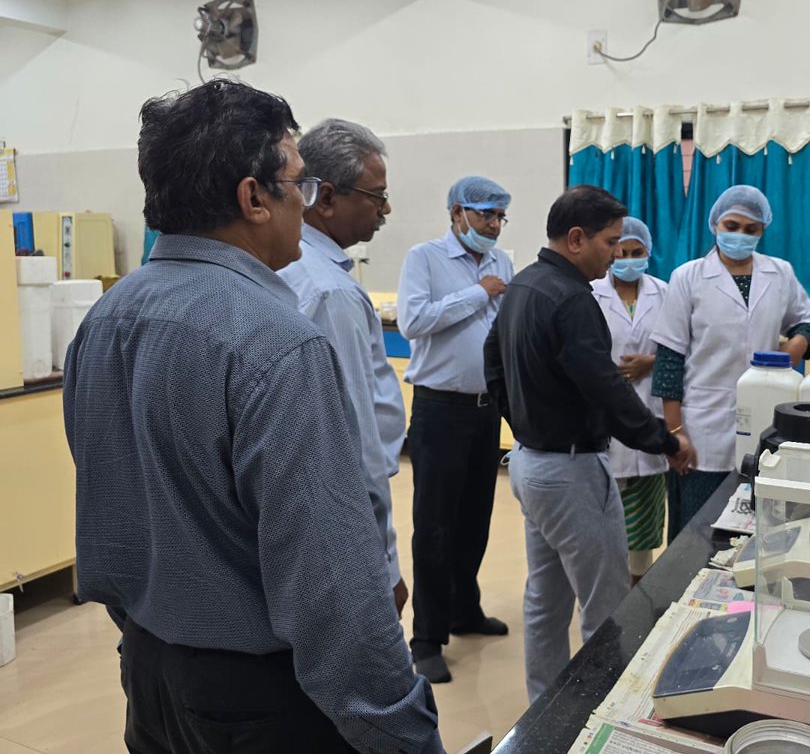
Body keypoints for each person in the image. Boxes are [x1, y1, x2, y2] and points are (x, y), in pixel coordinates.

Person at [62, 80, 442, 754]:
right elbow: (332, 592)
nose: (307, 201)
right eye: (298, 183)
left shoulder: (105, 321)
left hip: (150, 675)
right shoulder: (275, 342)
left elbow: (115, 512)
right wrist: (403, 732)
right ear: (253, 198)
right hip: (256, 698)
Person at [484, 185, 697, 703]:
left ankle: (547, 708)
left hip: (532, 463)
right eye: (609, 242)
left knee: (546, 599)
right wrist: (662, 440)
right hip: (571, 471)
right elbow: (603, 387)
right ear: (576, 239)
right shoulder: (573, 299)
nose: (615, 253)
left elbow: (493, 365)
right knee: (604, 604)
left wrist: (526, 424)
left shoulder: (524, 287)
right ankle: (601, 709)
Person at [278, 118, 408, 617]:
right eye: (376, 197)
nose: (386, 209)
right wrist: (386, 564)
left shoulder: (296, 269)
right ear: (326, 198)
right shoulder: (330, 292)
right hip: (347, 531)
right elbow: (355, 446)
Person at [399, 175, 514, 684]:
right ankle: (426, 637)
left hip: (486, 409)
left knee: (476, 518)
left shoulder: (502, 261)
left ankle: (465, 609)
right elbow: (413, 321)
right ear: (456, 212)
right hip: (439, 410)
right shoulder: (424, 258)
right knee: (435, 526)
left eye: (498, 216)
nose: (492, 225)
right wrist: (477, 293)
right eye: (484, 214)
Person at [651, 185, 810, 540]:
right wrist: (675, 433)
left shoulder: (780, 272)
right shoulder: (688, 277)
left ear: (762, 231)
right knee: (695, 530)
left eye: (750, 229)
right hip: (701, 425)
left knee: (755, 524)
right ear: (715, 225)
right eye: (732, 226)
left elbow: (804, 320)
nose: (740, 235)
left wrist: (794, 349)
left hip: (764, 418)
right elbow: (669, 359)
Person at [589, 216, 670, 583]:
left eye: (637, 252)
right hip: (606, 421)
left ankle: (639, 590)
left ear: (648, 253)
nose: (629, 260)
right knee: (604, 524)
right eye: (621, 252)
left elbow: (683, 347)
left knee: (644, 532)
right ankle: (609, 595)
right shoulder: (591, 292)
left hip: (651, 415)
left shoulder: (664, 293)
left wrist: (651, 362)